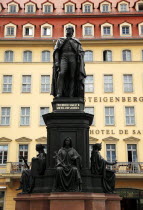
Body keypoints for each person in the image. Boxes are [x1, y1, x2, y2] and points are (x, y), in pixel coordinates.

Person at [51, 25, 86, 98]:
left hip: (73, 58)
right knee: (61, 73)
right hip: (64, 57)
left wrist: (80, 54)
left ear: (72, 31)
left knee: (72, 76)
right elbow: (56, 51)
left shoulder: (76, 41)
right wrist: (57, 62)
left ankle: (71, 94)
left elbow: (81, 51)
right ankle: (59, 93)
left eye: (70, 29)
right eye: (67, 29)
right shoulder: (60, 40)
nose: (68, 31)